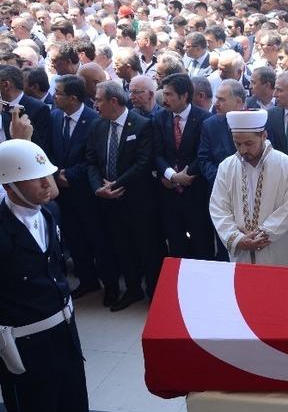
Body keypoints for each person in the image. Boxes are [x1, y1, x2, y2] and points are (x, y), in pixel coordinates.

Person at [0, 139, 88, 412]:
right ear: (9, 186)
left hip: (65, 334)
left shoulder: (50, 213)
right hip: (27, 346)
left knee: (74, 408)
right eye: (34, 178)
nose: (46, 184)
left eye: (46, 175)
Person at [85, 80, 156, 311]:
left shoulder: (142, 125)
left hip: (137, 201)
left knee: (146, 248)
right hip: (108, 201)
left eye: (98, 100)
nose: (95, 104)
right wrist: (99, 187)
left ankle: (155, 295)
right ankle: (132, 291)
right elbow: (92, 161)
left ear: (113, 101)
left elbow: (143, 162)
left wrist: (116, 184)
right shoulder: (97, 126)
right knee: (122, 248)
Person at [209, 109, 288, 266]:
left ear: (264, 136)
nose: (243, 150)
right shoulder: (226, 167)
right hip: (241, 253)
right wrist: (237, 238)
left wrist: (262, 235)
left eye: (249, 143)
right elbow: (218, 207)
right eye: (237, 144)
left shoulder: (287, 165)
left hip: (277, 251)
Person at [48, 75, 105, 299]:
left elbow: (95, 158)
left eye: (59, 93)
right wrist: (55, 173)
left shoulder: (94, 120)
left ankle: (108, 283)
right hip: (63, 191)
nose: (55, 96)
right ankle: (87, 280)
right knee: (73, 238)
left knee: (96, 237)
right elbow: (48, 148)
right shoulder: (53, 117)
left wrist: (69, 174)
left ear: (73, 98)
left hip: (86, 191)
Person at [152, 73, 214, 262]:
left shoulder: (204, 119)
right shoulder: (159, 118)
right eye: (164, 94)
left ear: (184, 96)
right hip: (169, 193)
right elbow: (157, 153)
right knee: (176, 244)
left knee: (202, 243)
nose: (165, 99)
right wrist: (172, 176)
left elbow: (202, 153)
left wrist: (186, 174)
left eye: (170, 94)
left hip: (196, 192)